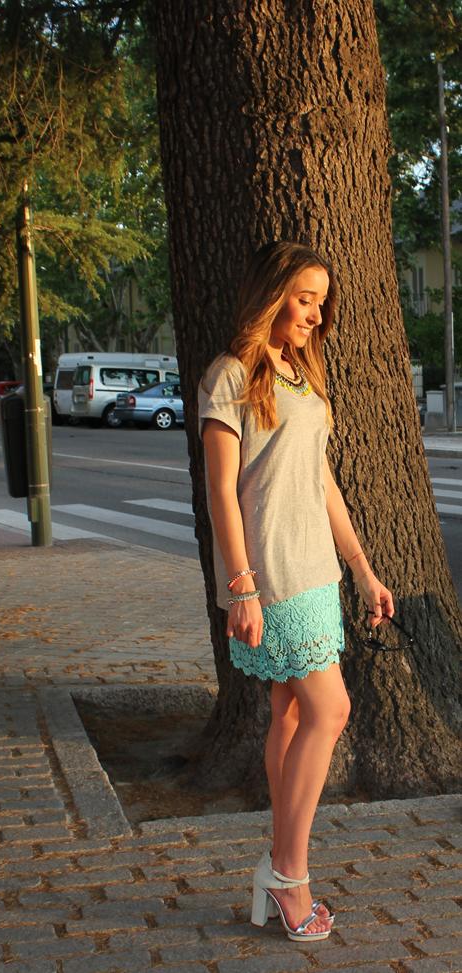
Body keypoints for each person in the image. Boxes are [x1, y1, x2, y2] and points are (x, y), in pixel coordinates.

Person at [198, 241, 394, 943]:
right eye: (304, 298)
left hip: (316, 569)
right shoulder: (229, 374)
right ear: (271, 294)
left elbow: (321, 480)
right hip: (271, 574)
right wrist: (241, 586)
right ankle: (289, 873)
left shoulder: (304, 374)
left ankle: (278, 865)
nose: (315, 313)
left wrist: (363, 569)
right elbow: (221, 492)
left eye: (320, 301)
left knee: (288, 714)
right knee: (330, 709)